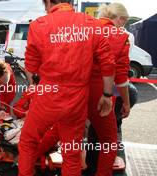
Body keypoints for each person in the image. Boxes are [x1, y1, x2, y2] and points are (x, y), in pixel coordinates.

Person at [18, 0, 115, 175]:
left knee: (28, 142)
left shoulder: (38, 25)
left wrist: (35, 88)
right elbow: (108, 63)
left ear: (48, 2)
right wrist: (107, 95)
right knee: (71, 153)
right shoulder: (92, 23)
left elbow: (31, 68)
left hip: (48, 96)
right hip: (77, 98)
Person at [85, 3, 131, 176]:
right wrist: (126, 103)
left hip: (74, 88)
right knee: (110, 142)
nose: (123, 26)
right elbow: (120, 76)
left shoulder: (84, 28)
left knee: (64, 135)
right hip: (100, 92)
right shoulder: (120, 35)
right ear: (119, 18)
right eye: (124, 22)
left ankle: (26, 155)